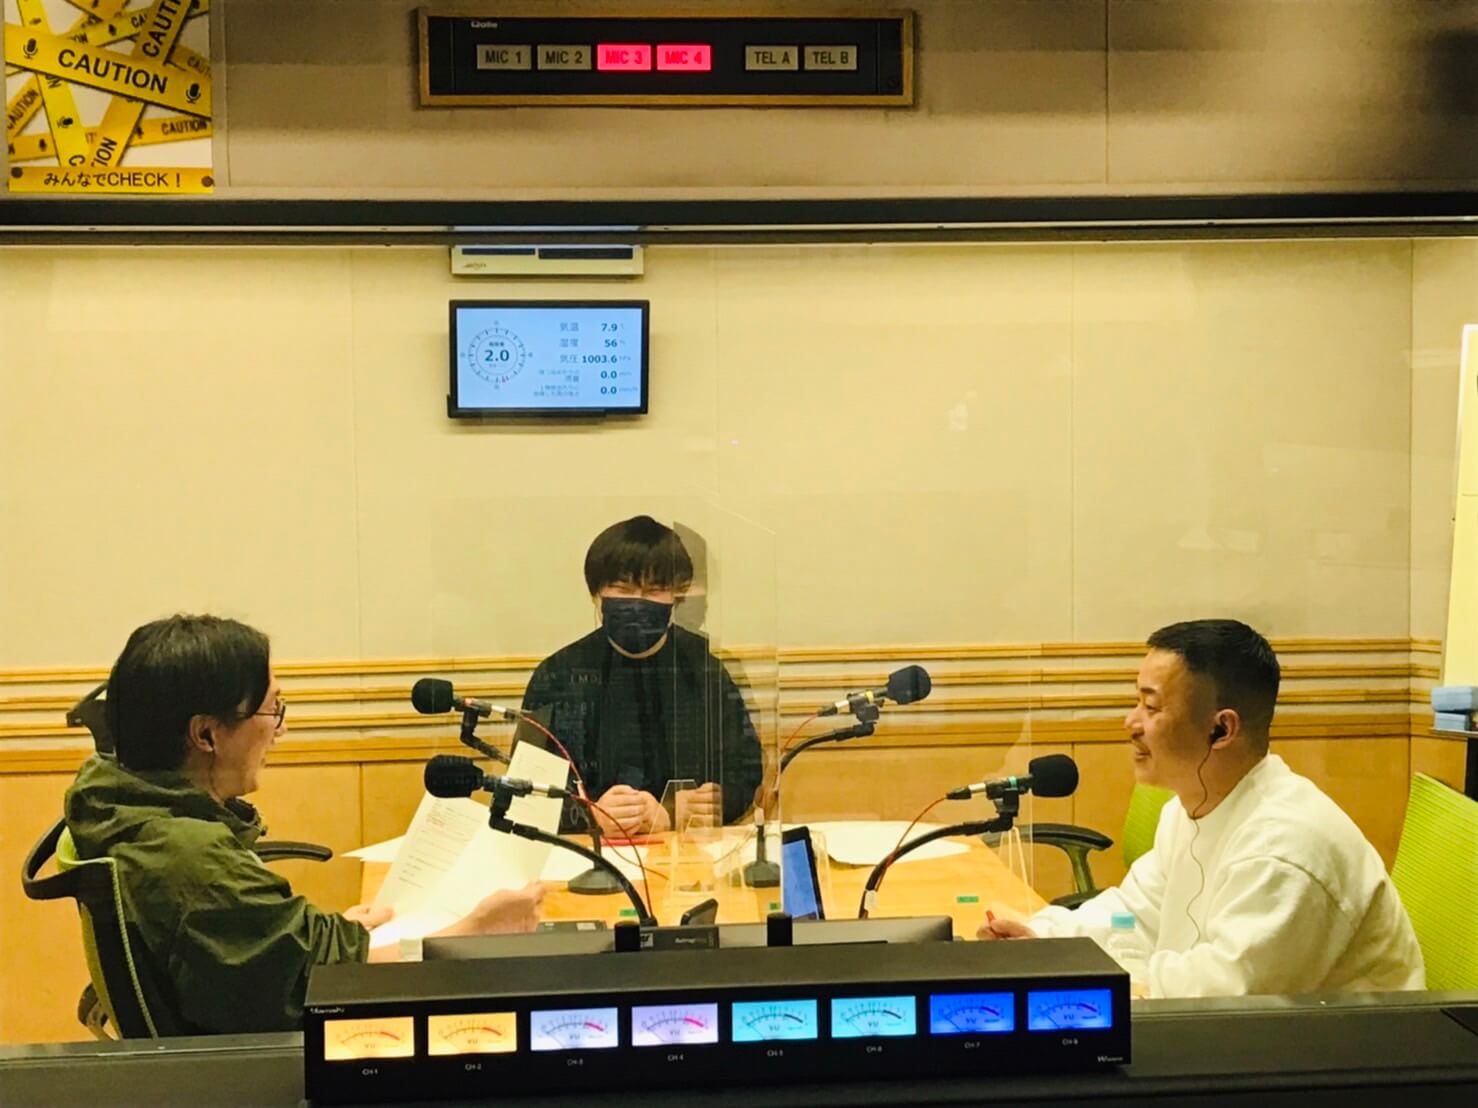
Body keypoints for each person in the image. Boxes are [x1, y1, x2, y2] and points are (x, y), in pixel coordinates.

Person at [65, 615, 544, 1035]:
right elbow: (333, 987)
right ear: (206, 734)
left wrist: (331, 933)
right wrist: (472, 934)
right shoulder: (193, 862)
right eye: (272, 709)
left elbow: (260, 948)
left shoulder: (124, 805)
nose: (281, 729)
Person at [979, 619, 1425, 998]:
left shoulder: (1286, 849)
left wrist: (1077, 976)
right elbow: (1136, 913)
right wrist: (1044, 938)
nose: (1130, 722)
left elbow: (1222, 997)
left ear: (1221, 729)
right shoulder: (1190, 808)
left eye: (1150, 706)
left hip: (1334, 1062)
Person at [521, 516, 763, 835]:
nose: (637, 601)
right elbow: (527, 791)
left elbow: (745, 773)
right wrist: (590, 816)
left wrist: (681, 810)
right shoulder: (557, 675)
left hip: (687, 854)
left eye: (654, 590)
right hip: (587, 851)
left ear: (676, 596)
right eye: (623, 589)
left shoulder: (705, 669)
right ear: (596, 595)